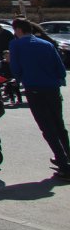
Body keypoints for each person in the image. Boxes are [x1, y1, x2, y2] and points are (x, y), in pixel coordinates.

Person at [9, 18, 69, 180]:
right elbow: (60, 68)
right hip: (52, 88)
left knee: (47, 127)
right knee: (59, 124)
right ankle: (67, 155)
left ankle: (64, 165)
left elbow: (16, 68)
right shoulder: (46, 44)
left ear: (18, 30)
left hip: (34, 88)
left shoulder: (16, 45)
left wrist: (18, 79)